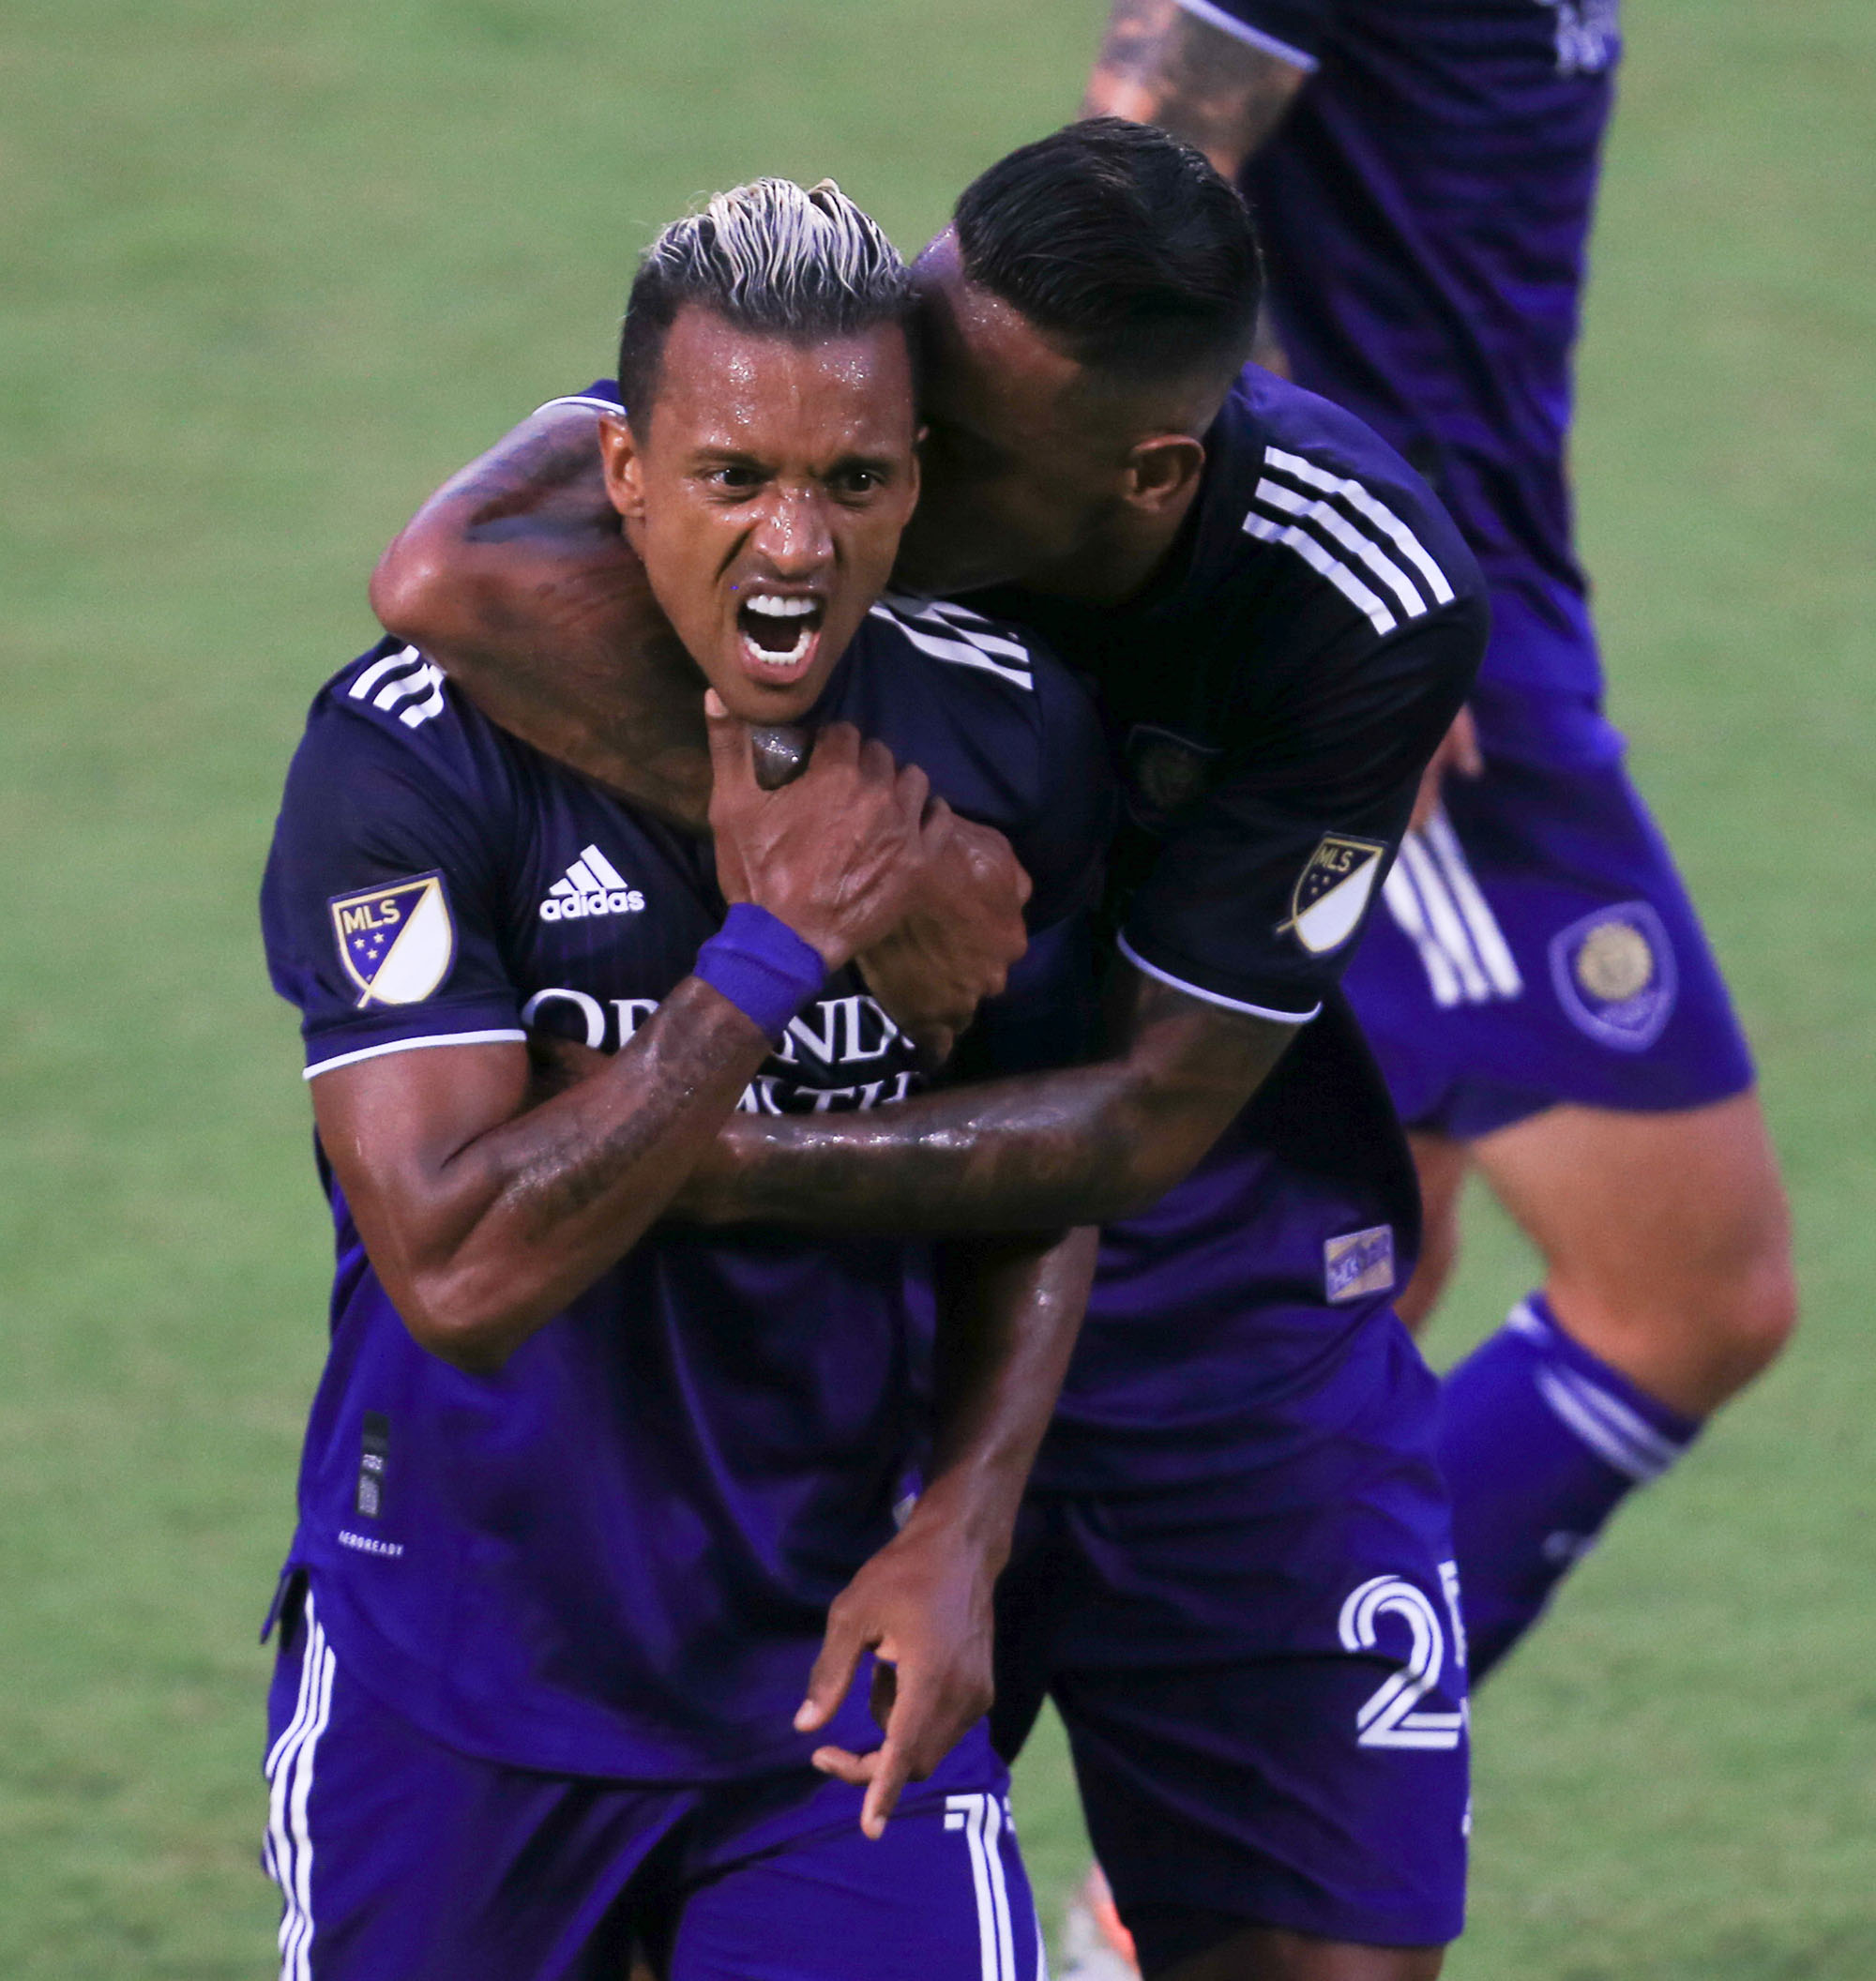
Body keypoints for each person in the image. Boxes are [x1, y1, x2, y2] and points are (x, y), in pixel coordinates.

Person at [374, 123, 1488, 1980]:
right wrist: (871, 865)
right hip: (799, 1347)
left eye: (944, 458)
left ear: (1146, 474)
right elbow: (451, 564)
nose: (857, 499)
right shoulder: (870, 381)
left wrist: (703, 1155)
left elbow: (1137, 1124)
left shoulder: (1348, 593)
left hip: (1190, 1306)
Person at [258, 176, 1116, 1981]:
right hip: (459, 1685)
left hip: (818, 1685)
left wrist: (965, 1532)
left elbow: (1046, 1174)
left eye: (855, 483)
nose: (796, 547)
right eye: (734, 479)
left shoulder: (1003, 730)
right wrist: (769, 952)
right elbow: (462, 1271)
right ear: (626, 473)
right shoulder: (407, 760)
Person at [1080, 0, 1796, 1683]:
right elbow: (1129, 196)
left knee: (1345, 1290)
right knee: (1690, 1287)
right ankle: (1210, 1865)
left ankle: (1193, 1882)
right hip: (1429, 678)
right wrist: (1310, 580)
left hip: (1476, 619)